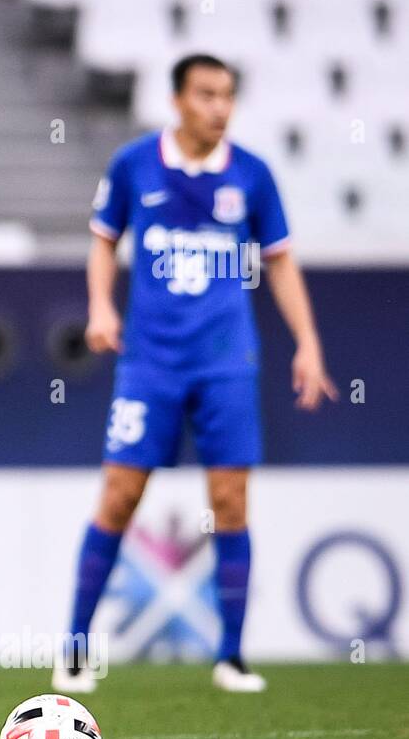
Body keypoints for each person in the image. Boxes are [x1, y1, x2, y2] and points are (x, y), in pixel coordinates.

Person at [54, 53, 336, 695]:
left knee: (231, 504)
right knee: (121, 497)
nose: (219, 107)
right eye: (207, 94)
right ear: (178, 100)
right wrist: (101, 305)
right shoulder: (134, 165)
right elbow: (103, 239)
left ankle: (230, 657)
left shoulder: (254, 176)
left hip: (226, 363)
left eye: (227, 95)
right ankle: (74, 649)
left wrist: (308, 342)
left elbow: (282, 262)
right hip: (149, 363)